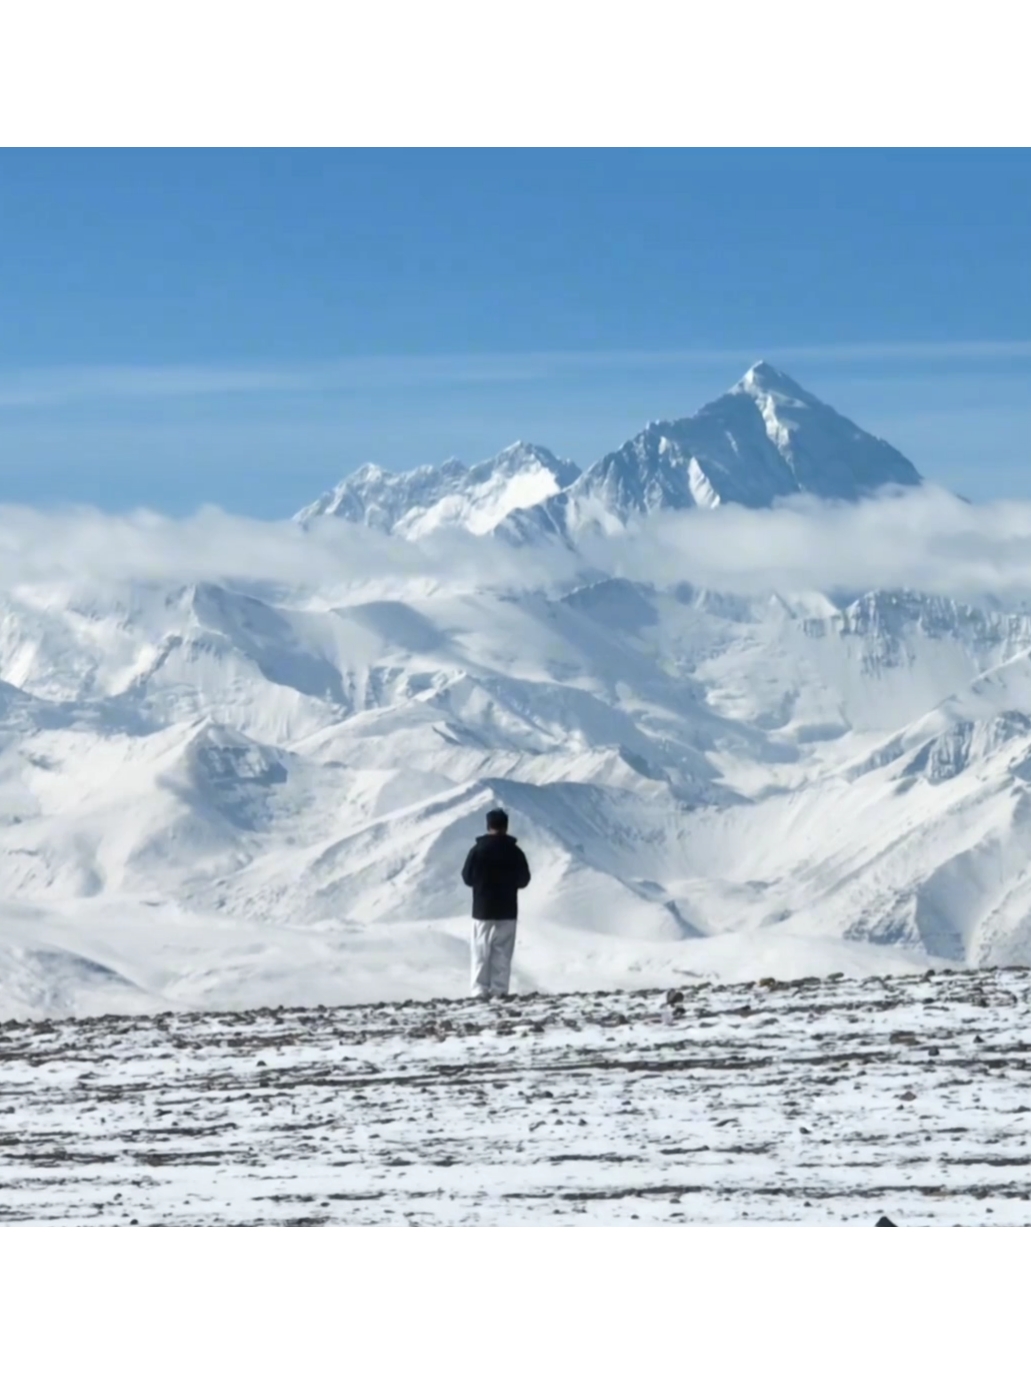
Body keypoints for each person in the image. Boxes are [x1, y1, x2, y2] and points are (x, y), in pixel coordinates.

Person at [461, 808, 531, 999]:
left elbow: (467, 878)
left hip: (482, 909)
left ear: (488, 825)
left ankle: (479, 991)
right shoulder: (515, 851)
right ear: (506, 827)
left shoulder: (477, 850)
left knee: (480, 952)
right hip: (507, 910)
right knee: (502, 954)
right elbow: (524, 880)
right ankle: (499, 991)